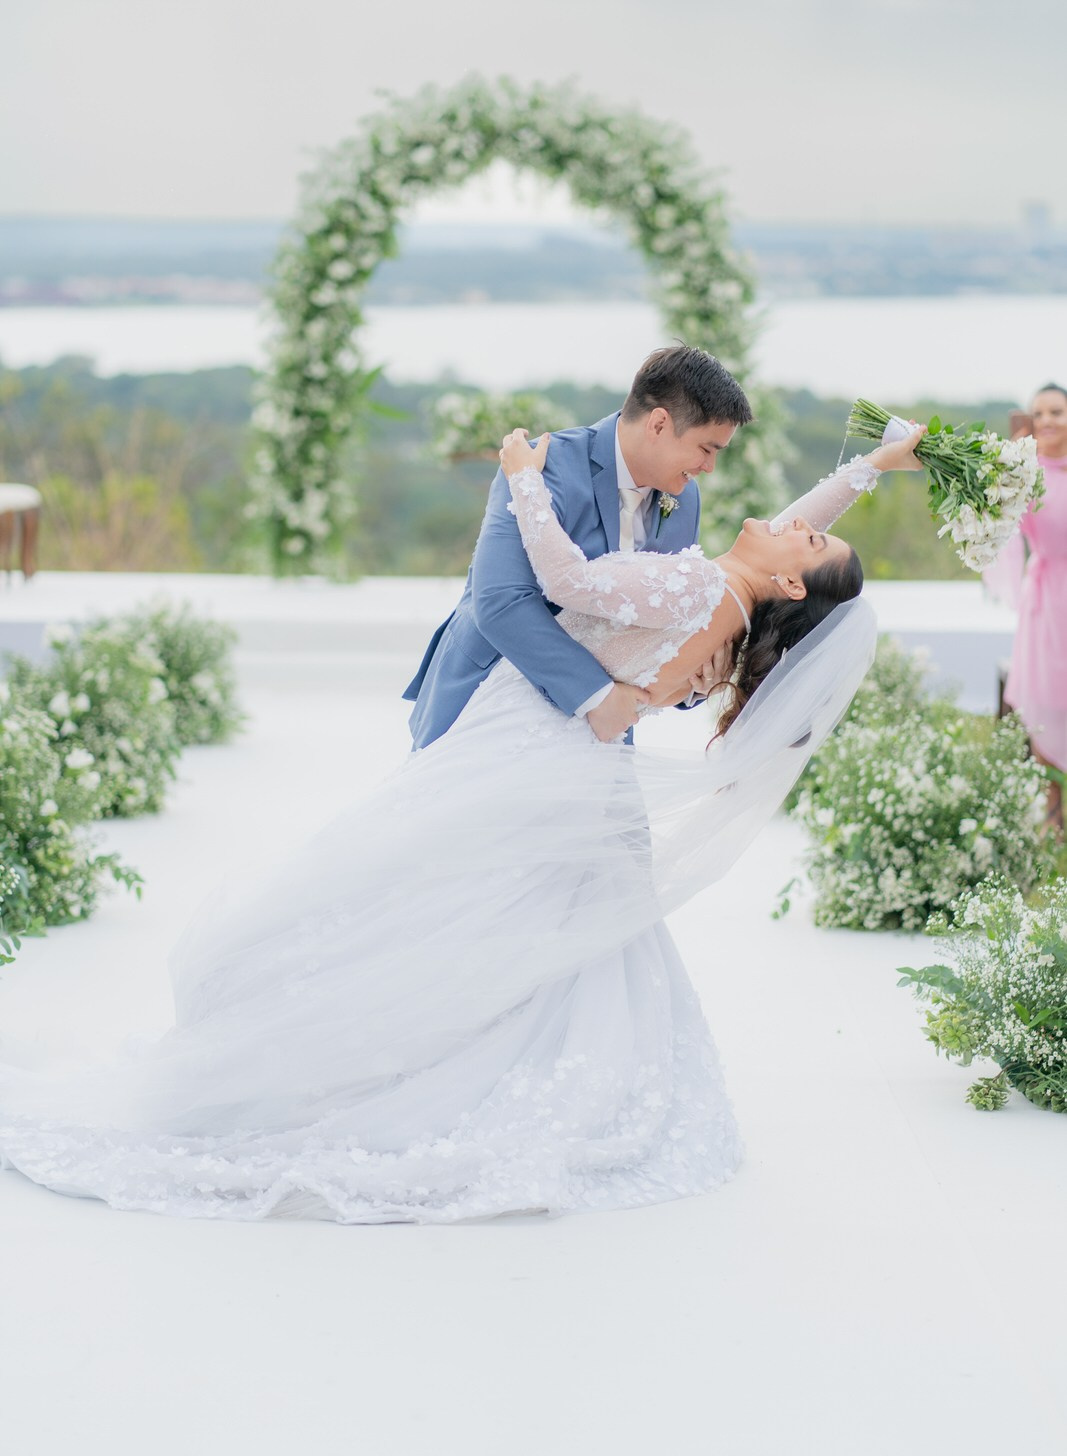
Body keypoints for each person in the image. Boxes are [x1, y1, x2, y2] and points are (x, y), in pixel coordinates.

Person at [0, 397, 923, 1225]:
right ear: (660, 423)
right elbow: (764, 557)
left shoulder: (699, 583)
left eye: (804, 540)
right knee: (518, 916)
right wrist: (868, 470)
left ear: (794, 583)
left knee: (425, 894)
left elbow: (563, 584)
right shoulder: (724, 589)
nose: (769, 510)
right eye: (709, 448)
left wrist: (519, 481)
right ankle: (536, 1070)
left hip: (535, 735)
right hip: (561, 739)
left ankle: (390, 1066)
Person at [404, 345, 753, 748]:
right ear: (658, 424)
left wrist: (693, 682)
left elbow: (656, 624)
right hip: (491, 698)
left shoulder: (684, 498)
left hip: (598, 732)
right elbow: (500, 600)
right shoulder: (542, 466)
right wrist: (596, 696)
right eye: (706, 448)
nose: (709, 467)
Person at [988, 382, 1067, 827]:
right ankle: (1054, 816)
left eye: (1057, 411)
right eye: (1040, 414)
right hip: (1047, 603)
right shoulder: (1025, 474)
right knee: (1046, 700)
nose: (1048, 421)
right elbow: (1000, 526)